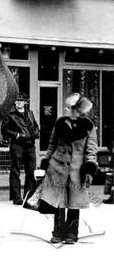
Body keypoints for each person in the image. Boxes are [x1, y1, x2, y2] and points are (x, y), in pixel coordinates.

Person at [39, 93, 98, 244]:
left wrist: (90, 169)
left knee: (74, 202)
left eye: (69, 107)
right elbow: (52, 144)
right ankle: (57, 233)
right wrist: (46, 161)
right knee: (57, 202)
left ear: (77, 110)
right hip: (57, 168)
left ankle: (72, 233)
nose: (65, 109)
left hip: (77, 171)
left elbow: (91, 150)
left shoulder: (88, 126)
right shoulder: (60, 123)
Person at [1, 92, 40, 205]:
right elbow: (4, 130)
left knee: (31, 171)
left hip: (30, 145)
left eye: (21, 101)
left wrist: (36, 133)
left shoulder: (30, 113)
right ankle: (16, 198)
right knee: (15, 171)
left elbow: (36, 126)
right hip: (17, 145)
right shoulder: (10, 114)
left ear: (25, 102)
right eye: (17, 101)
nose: (19, 103)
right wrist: (16, 135)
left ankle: (29, 196)